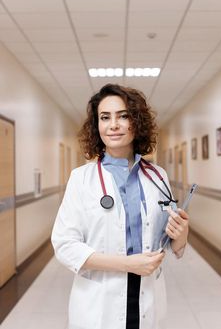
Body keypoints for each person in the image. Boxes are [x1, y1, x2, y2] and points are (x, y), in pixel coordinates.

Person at [51, 83, 189, 329]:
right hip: (99, 301)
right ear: (97, 125)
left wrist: (181, 236)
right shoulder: (81, 179)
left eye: (123, 116)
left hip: (147, 295)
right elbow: (65, 245)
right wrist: (127, 264)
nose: (113, 125)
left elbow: (164, 241)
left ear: (136, 122)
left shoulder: (158, 176)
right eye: (105, 117)